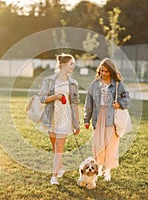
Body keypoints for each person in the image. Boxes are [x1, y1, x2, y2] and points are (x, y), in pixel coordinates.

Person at [84, 58, 131, 181]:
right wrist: (86, 119)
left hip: (112, 118)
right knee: (98, 144)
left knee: (111, 146)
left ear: (111, 71)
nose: (103, 73)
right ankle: (99, 167)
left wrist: (119, 104)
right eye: (101, 71)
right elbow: (88, 103)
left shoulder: (117, 84)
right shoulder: (94, 84)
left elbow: (127, 99)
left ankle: (107, 171)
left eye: (105, 71)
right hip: (98, 117)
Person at [39, 53, 80, 185]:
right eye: (71, 64)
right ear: (63, 65)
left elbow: (75, 103)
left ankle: (54, 176)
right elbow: (42, 98)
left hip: (65, 117)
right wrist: (56, 97)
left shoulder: (73, 83)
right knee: (54, 146)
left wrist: (77, 123)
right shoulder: (49, 80)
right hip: (51, 117)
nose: (73, 66)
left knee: (59, 146)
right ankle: (60, 167)